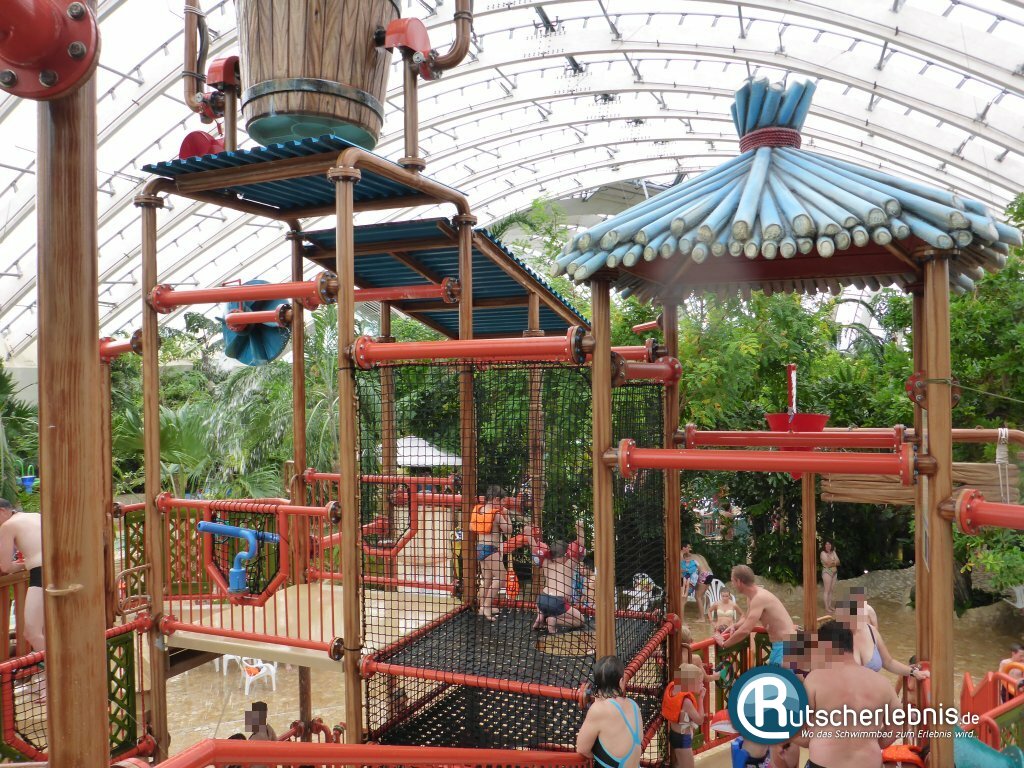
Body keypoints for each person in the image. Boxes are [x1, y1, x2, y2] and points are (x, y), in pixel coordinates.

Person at [794, 620, 903, 768]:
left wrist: (814, 741)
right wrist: (869, 743)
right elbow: (896, 728)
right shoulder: (882, 683)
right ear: (852, 645)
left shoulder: (815, 679)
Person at [834, 593, 928, 684]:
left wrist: (913, 672)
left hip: (873, 690)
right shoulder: (834, 637)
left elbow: (888, 662)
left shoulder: (871, 631)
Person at [718, 565, 797, 667]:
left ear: (739, 581)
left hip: (786, 646)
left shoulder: (758, 598)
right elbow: (747, 617)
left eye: (732, 581)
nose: (732, 585)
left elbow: (745, 630)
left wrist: (724, 644)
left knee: (780, 676)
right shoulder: (752, 597)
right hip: (782, 645)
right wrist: (735, 626)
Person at [576, 655, 643, 768]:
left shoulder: (598, 710)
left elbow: (582, 749)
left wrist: (599, 756)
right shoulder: (634, 705)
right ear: (621, 682)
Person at [0, 499, 44, 652]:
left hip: (42, 572)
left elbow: (5, 566)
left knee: (32, 633)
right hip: (63, 567)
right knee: (49, 628)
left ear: (2, 511)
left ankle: (55, 666)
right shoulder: (36, 516)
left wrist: (22, 565)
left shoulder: (7, 526)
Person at [471, 486, 513, 621]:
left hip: (480, 548)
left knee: (488, 579)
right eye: (502, 502)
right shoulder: (497, 515)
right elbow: (509, 531)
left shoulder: (480, 510)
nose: (503, 505)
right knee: (501, 577)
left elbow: (471, 527)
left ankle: (481, 606)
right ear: (496, 499)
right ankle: (487, 606)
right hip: (490, 549)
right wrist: (507, 514)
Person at [532, 540, 586, 634]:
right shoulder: (569, 565)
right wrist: (580, 530)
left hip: (541, 599)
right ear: (566, 554)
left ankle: (540, 616)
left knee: (546, 605)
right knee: (580, 620)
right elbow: (580, 544)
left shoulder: (546, 563)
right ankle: (554, 620)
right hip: (557, 602)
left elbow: (534, 547)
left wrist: (529, 535)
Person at [663, 663, 704, 768]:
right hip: (683, 740)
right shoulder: (686, 702)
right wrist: (701, 699)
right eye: (700, 682)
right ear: (690, 683)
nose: (702, 685)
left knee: (680, 764)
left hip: (674, 734)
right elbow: (700, 720)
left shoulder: (674, 690)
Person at [679, 543, 713, 620]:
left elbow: (685, 569)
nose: (689, 549)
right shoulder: (699, 556)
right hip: (710, 574)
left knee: (697, 596)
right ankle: (701, 614)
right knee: (701, 596)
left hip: (703, 575)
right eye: (689, 547)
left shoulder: (686, 557)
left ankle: (702, 618)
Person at [819, 541, 839, 614]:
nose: (828, 545)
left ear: (831, 545)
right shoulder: (823, 553)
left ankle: (829, 606)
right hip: (827, 572)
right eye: (826, 544)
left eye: (829, 544)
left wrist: (832, 562)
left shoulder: (833, 552)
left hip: (834, 572)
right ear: (824, 545)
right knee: (827, 590)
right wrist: (834, 561)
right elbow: (828, 563)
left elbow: (838, 562)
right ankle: (826, 607)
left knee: (831, 590)